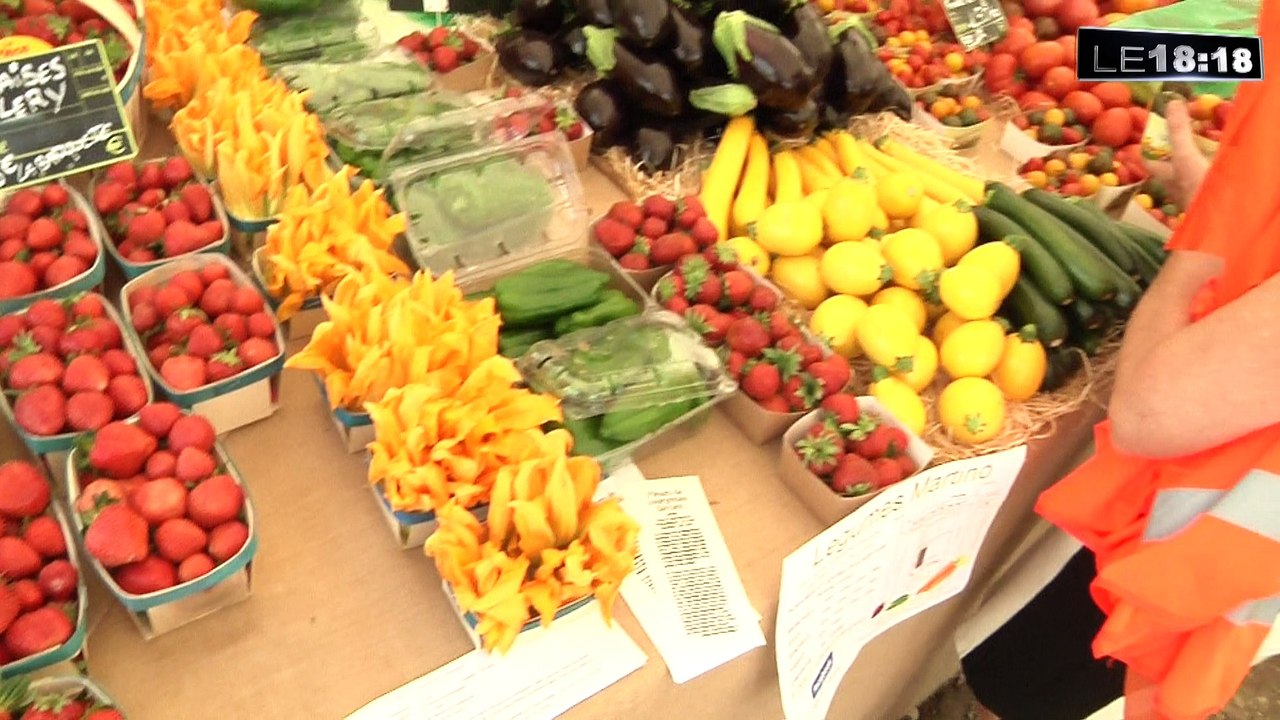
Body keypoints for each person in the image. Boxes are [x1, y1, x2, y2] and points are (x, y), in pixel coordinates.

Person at [963, 3, 1280, 717]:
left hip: (1208, 517)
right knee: (1043, 643)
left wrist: (1203, 241)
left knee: (1060, 669)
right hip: (1206, 451)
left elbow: (1147, 411)